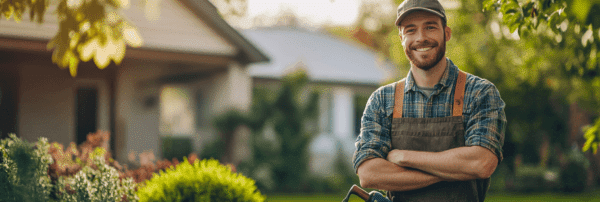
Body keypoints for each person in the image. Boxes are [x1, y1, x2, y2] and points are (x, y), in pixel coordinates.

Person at [352, 0, 506, 201]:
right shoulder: (383, 100)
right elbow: (369, 174)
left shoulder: (479, 93)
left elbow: (481, 164)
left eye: (430, 27)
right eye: (411, 30)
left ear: (447, 33)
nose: (421, 38)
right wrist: (454, 171)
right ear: (401, 38)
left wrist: (404, 157)